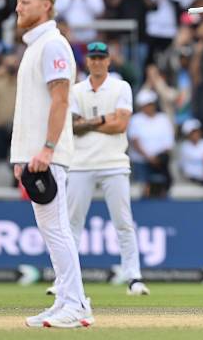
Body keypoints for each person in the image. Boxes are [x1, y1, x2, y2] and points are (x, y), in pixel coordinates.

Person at [10, 0, 93, 328]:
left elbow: (61, 99)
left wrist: (46, 148)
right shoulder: (35, 47)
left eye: (25, 2)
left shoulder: (53, 45)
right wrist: (22, 156)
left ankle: (75, 305)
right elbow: (32, 107)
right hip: (36, 155)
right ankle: (66, 301)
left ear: (46, 5)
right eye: (18, 1)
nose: (18, 8)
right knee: (53, 231)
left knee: (58, 230)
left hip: (49, 153)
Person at [62, 41, 149, 296]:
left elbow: (120, 125)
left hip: (114, 162)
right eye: (94, 57)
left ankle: (134, 278)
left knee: (123, 223)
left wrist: (90, 122)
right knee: (72, 224)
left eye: (102, 57)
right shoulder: (77, 89)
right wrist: (103, 119)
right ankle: (65, 281)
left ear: (109, 61)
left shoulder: (120, 86)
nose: (98, 61)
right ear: (87, 61)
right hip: (80, 164)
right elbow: (72, 126)